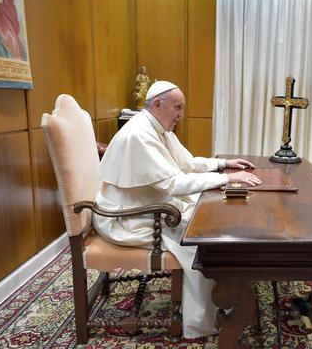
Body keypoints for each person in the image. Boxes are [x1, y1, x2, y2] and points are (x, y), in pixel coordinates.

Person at [94, 80, 261, 339]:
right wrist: (228, 179)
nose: (182, 115)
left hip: (146, 203)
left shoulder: (159, 128)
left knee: (213, 213)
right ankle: (201, 320)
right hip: (125, 216)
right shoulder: (139, 134)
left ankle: (226, 291)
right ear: (157, 104)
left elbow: (187, 162)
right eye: (178, 108)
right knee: (200, 238)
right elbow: (173, 183)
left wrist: (223, 164)